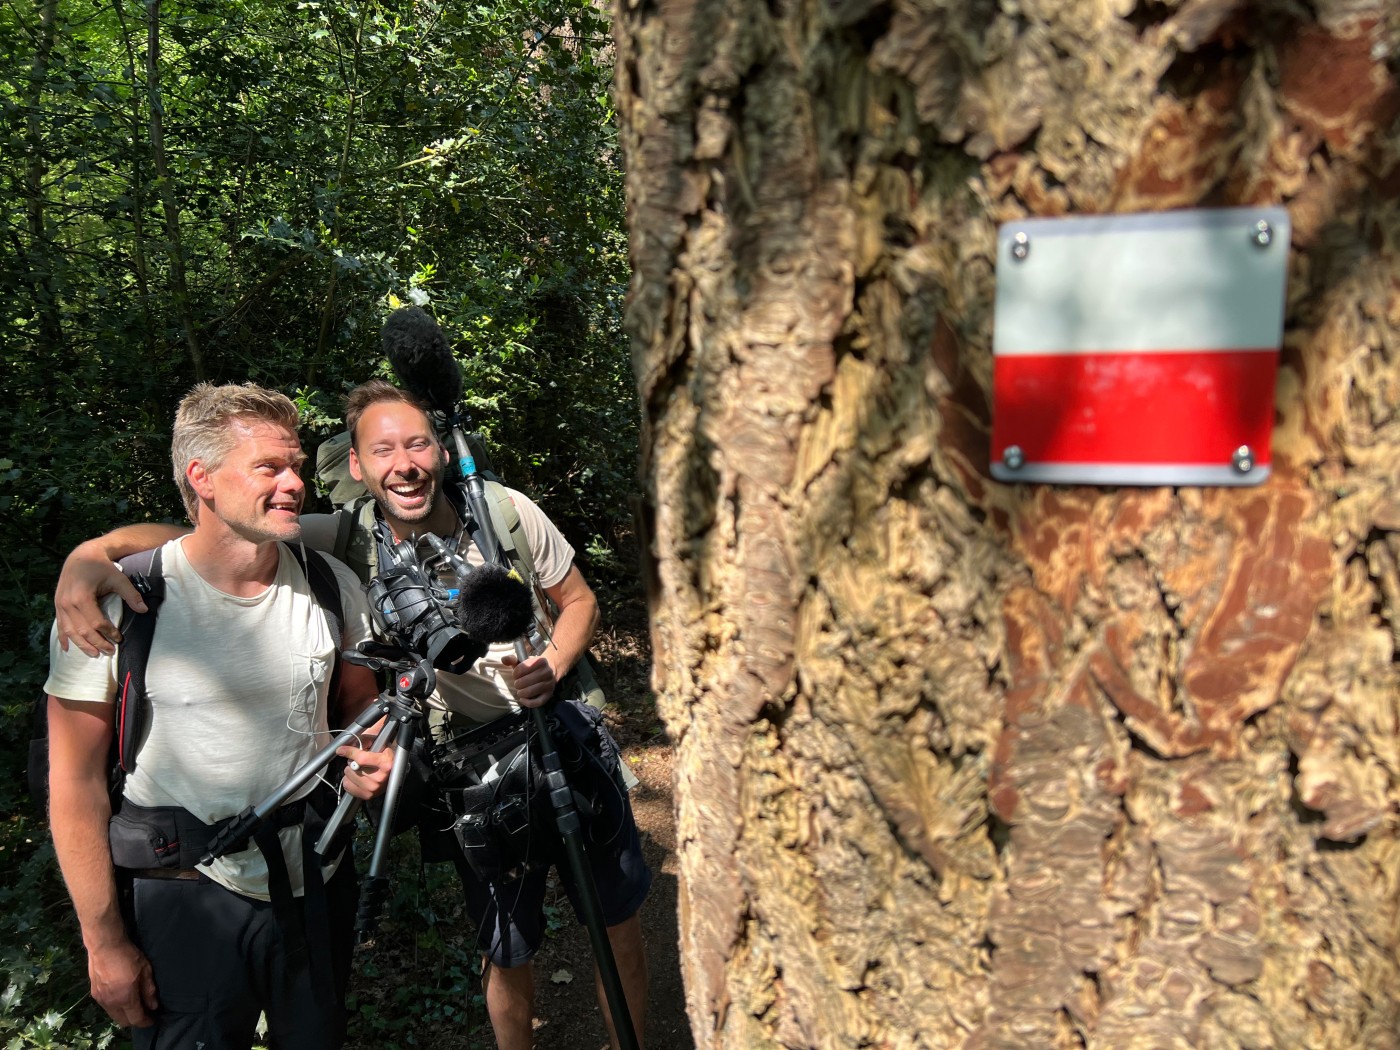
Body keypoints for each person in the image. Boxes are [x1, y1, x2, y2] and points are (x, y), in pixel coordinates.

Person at [54, 379, 651, 1050]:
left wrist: (554, 663)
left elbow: (578, 600)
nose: (405, 465)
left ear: (442, 451)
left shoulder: (504, 513)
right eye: (383, 450)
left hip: (558, 736)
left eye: (418, 444)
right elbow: (214, 534)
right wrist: (93, 553)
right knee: (505, 943)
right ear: (359, 468)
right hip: (470, 767)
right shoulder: (345, 539)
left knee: (615, 921)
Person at [45, 382, 392, 1050]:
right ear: (201, 478)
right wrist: (104, 942)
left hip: (315, 884)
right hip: (185, 900)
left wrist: (378, 749)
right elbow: (75, 783)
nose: (295, 483)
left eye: (295, 466)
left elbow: (359, 704)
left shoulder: (329, 583)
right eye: (269, 467)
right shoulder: (119, 601)